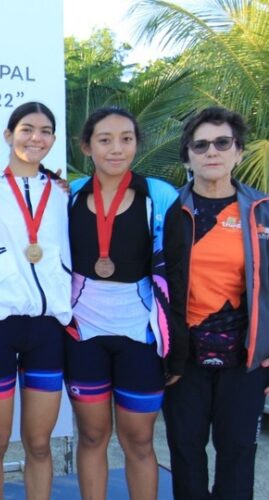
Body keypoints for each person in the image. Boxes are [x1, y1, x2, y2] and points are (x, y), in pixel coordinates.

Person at [65, 107, 187, 499]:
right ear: (87, 147)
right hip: (84, 331)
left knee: (138, 440)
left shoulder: (160, 194)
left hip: (140, 333)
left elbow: (179, 272)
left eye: (126, 139)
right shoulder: (70, 194)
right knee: (92, 436)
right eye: (104, 140)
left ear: (136, 143)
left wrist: (178, 343)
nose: (116, 149)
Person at [163, 106, 269, 500]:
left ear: (238, 152)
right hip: (182, 359)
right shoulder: (167, 210)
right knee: (186, 455)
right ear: (187, 154)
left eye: (222, 142)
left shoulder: (263, 211)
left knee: (238, 456)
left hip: (244, 360)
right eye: (201, 144)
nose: (212, 151)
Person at [0, 102, 71, 500]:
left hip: (47, 329)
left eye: (45, 131)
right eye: (27, 129)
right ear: (9, 134)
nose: (36, 138)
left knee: (40, 443)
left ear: (53, 140)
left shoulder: (65, 193)